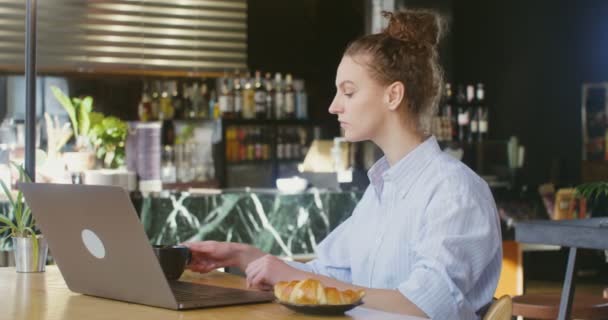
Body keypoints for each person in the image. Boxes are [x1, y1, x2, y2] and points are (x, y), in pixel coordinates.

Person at [184, 9, 501, 319]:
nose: (334, 106)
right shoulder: (380, 192)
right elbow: (328, 272)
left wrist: (288, 277)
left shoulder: (454, 190)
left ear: (393, 96)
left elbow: (422, 306)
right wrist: (245, 256)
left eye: (348, 93)